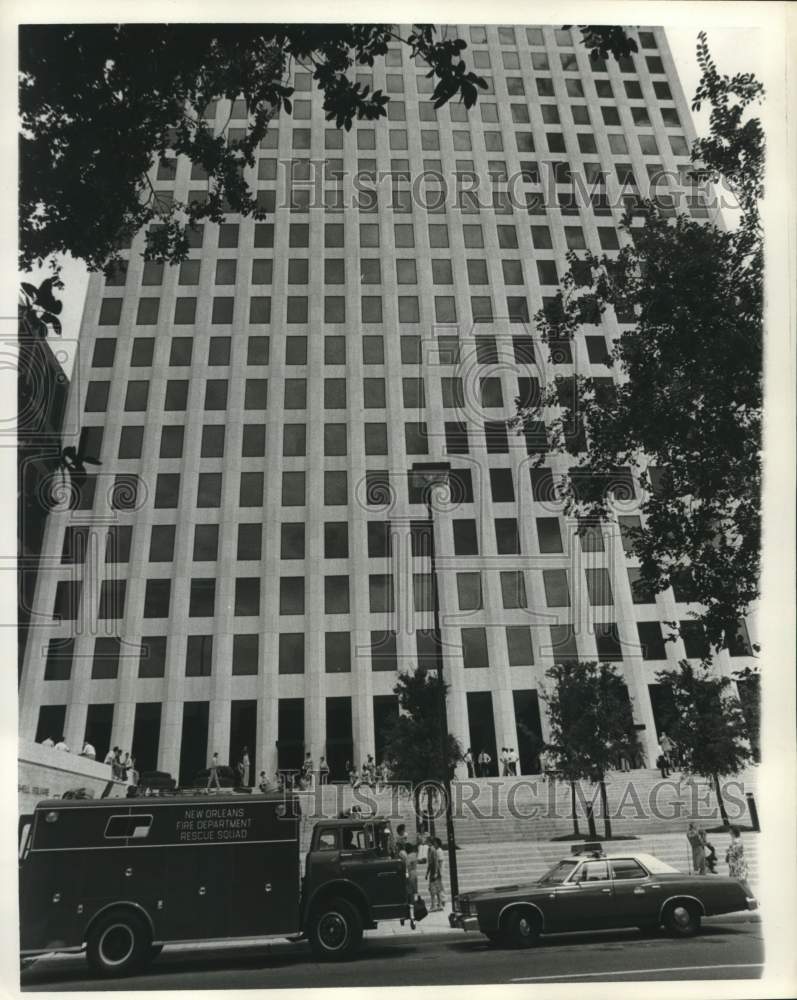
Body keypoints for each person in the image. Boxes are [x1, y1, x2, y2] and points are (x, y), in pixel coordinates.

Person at [427, 837, 446, 911]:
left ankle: (435, 904)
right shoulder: (434, 850)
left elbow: (437, 862)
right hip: (435, 871)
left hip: (436, 872)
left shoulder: (435, 850)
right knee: (438, 888)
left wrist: (437, 872)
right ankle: (440, 903)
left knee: (434, 888)